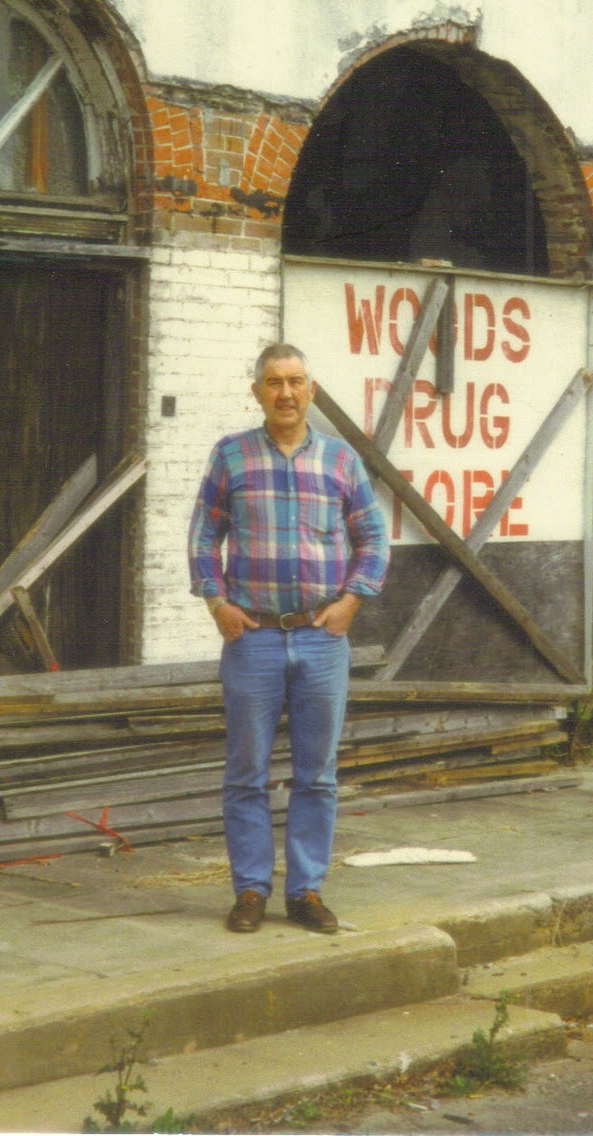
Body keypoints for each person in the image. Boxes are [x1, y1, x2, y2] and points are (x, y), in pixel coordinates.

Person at [188, 342, 390, 934]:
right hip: (252, 640)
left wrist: (352, 601)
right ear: (258, 392)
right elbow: (204, 537)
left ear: (312, 390)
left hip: (322, 638)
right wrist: (217, 602)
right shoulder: (231, 457)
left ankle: (305, 892)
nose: (285, 393)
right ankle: (250, 890)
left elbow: (373, 539)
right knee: (246, 772)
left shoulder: (340, 460)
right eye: (273, 382)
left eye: (295, 381)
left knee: (318, 774)